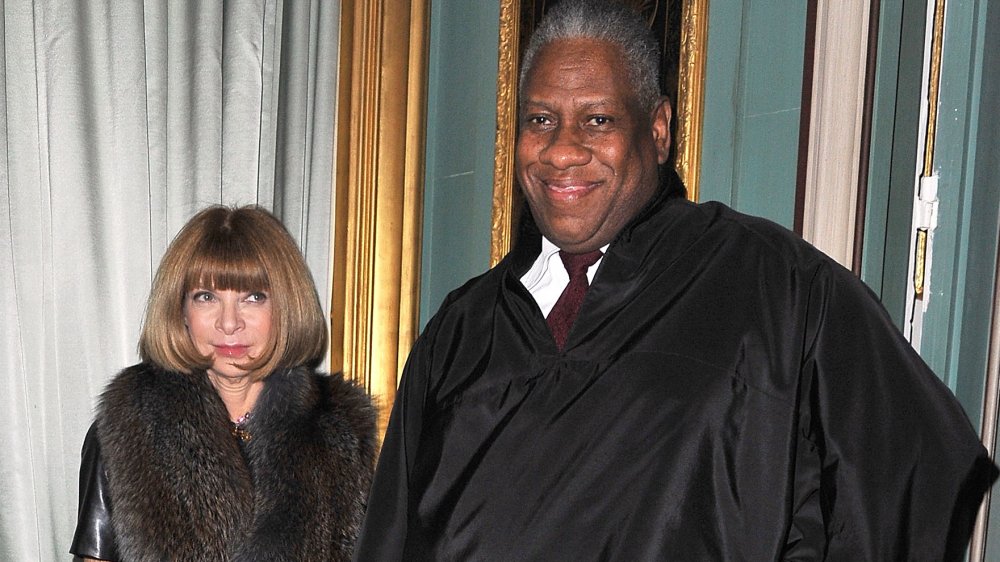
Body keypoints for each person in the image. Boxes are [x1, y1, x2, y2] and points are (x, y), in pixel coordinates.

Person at [353, 1, 997, 560]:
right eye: (540, 119)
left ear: (657, 130)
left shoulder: (773, 288)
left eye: (598, 120)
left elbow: (916, 467)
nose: (563, 149)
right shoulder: (461, 330)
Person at [70, 205, 377, 561]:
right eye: (206, 297)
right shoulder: (127, 426)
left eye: (253, 297)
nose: (229, 323)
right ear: (181, 311)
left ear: (287, 308)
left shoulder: (338, 432)